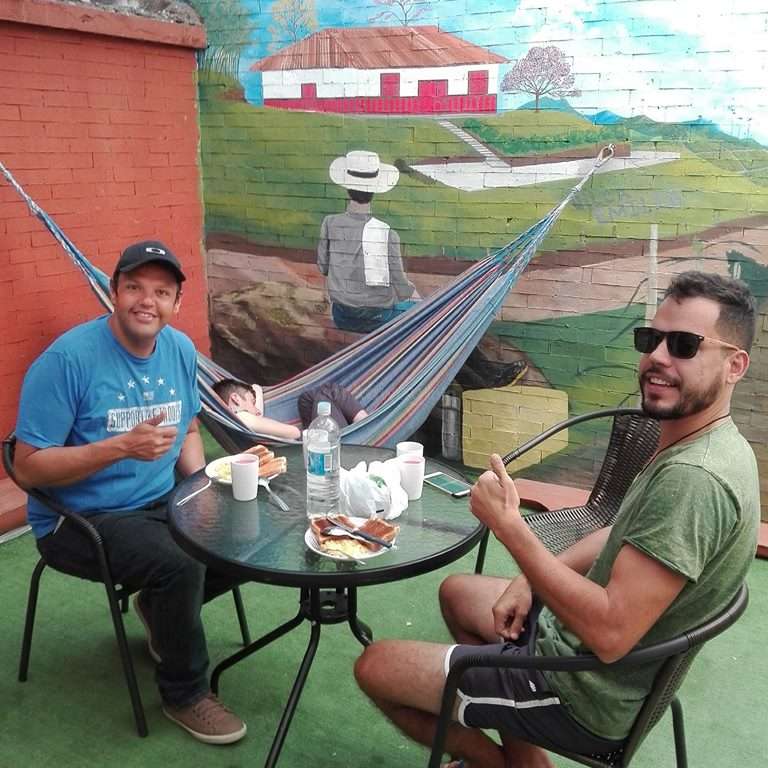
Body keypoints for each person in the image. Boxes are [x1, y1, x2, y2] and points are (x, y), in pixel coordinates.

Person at [354, 271, 760, 768]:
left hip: (582, 692)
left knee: (375, 666)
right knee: (459, 593)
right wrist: (530, 580)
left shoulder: (694, 480)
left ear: (735, 365)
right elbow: (621, 532)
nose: (657, 357)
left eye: (684, 345)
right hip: (581, 648)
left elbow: (609, 635)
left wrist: (511, 529)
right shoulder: (707, 441)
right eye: (650, 340)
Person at [13, 241, 247, 745]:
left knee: (247, 530)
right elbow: (27, 468)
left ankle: (160, 611)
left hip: (159, 502)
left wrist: (202, 487)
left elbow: (188, 428)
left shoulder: (179, 349)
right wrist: (119, 448)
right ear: (113, 292)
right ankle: (185, 694)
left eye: (161, 292)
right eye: (135, 287)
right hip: (78, 519)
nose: (147, 301)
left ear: (176, 303)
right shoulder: (67, 360)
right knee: (179, 562)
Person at [318, 150, 420, 333]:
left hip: (342, 316)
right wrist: (420, 300)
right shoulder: (388, 234)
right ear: (374, 191)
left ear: (347, 189)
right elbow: (401, 285)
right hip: (379, 317)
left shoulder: (329, 223)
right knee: (424, 311)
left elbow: (323, 267)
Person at [213, 378, 368, 439]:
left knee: (306, 398)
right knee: (326, 393)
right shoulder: (243, 416)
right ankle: (365, 424)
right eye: (252, 402)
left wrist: (254, 397)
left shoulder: (234, 418)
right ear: (235, 398)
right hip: (319, 446)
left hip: (309, 442)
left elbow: (256, 388)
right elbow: (294, 433)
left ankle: (360, 421)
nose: (257, 409)